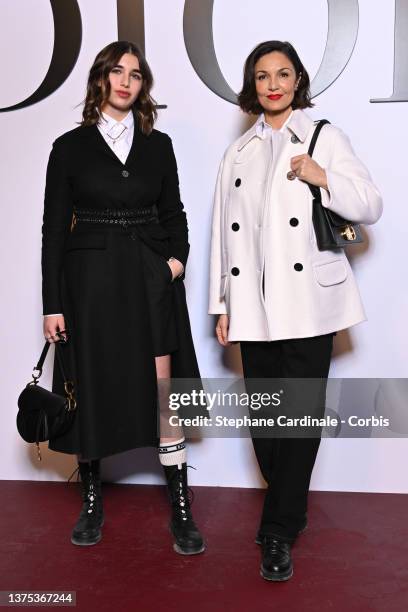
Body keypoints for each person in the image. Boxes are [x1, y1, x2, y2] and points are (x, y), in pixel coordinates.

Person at [209, 40, 382, 581]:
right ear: (252, 86)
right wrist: (222, 304)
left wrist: (322, 177)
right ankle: (292, 508)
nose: (273, 84)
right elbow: (223, 235)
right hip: (254, 309)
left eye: (283, 74)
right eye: (262, 76)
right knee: (265, 421)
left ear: (298, 80)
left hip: (308, 305)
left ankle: (278, 529)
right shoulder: (237, 154)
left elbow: (370, 205)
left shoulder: (323, 137)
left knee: (298, 421)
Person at [42, 40, 204, 555]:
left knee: (162, 390)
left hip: (147, 275)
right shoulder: (69, 147)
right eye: (117, 71)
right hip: (87, 282)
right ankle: (91, 498)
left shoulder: (159, 144)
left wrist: (174, 262)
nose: (126, 81)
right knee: (90, 383)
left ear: (143, 86)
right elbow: (53, 230)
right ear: (100, 79)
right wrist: (52, 302)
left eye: (135, 74)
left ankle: (180, 500)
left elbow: (174, 212)